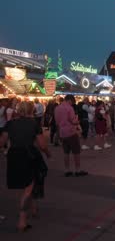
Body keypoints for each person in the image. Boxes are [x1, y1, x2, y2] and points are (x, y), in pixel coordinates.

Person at [0, 101, 50, 232]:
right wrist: (48, 153)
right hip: (28, 155)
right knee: (29, 187)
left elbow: (2, 141)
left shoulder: (10, 123)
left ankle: (33, 208)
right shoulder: (34, 123)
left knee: (25, 184)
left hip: (14, 155)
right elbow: (42, 145)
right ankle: (22, 220)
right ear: (31, 110)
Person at [55, 95, 88, 177]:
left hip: (62, 132)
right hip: (71, 132)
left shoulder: (57, 108)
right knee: (76, 152)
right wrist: (77, 121)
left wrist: (58, 133)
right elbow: (73, 121)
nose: (72, 104)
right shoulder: (69, 108)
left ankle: (67, 170)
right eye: (72, 102)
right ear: (70, 100)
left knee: (66, 152)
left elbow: (57, 122)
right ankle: (77, 170)